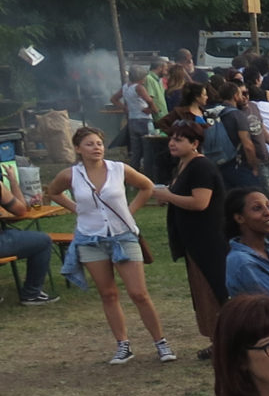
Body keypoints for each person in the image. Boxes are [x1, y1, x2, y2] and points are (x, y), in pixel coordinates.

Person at [44, 126, 173, 359]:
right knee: (108, 294)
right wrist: (77, 208)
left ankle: (160, 342)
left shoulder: (118, 169)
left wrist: (130, 211)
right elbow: (52, 193)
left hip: (122, 235)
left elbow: (147, 187)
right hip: (90, 238)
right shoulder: (70, 175)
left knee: (138, 293)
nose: (97, 148)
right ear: (78, 149)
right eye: (90, 144)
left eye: (99, 144)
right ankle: (123, 344)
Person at [147, 120, 228, 355]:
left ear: (195, 143)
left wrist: (168, 196)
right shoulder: (183, 165)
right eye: (171, 138)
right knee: (202, 293)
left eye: (179, 139)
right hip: (192, 240)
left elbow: (200, 202)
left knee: (214, 290)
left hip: (208, 240)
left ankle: (227, 341)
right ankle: (217, 340)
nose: (172, 143)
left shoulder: (201, 167)